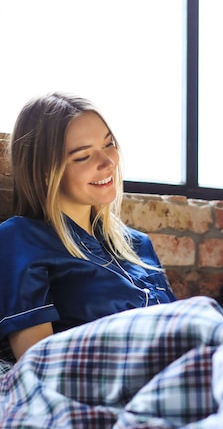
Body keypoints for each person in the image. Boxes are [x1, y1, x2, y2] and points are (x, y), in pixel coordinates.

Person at [0, 92, 176, 363]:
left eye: (108, 144)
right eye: (83, 156)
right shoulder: (21, 239)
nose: (107, 162)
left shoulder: (138, 245)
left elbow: (183, 327)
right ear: (46, 170)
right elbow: (38, 366)